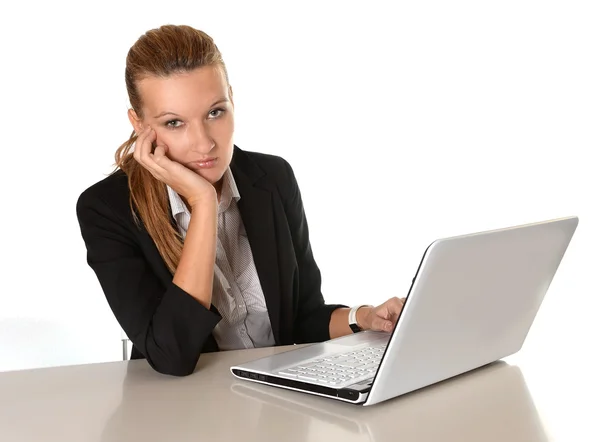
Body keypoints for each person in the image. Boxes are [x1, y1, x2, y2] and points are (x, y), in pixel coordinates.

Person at [76, 24, 405, 377]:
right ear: (139, 124)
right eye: (174, 122)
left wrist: (364, 317)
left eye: (215, 112)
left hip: (274, 396)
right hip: (181, 411)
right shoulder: (107, 209)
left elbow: (302, 319)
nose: (204, 143)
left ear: (232, 98)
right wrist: (203, 204)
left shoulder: (273, 179)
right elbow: (171, 355)